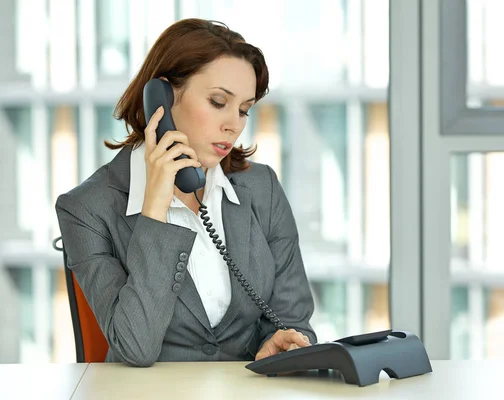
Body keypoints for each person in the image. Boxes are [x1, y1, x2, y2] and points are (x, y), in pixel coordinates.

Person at [55, 18, 317, 367]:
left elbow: (295, 323)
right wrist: (155, 211)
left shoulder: (261, 188)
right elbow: (135, 347)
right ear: (161, 99)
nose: (234, 125)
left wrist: (281, 345)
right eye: (218, 101)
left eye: (243, 110)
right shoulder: (86, 209)